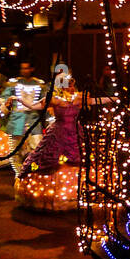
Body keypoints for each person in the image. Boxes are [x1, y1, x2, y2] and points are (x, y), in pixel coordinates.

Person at [14, 79, 87, 210]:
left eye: (72, 85)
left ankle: (74, 195)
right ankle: (52, 196)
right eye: (67, 85)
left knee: (79, 159)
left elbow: (96, 101)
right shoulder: (55, 99)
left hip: (75, 132)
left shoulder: (78, 98)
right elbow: (32, 106)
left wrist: (115, 98)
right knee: (49, 159)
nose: (70, 88)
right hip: (58, 133)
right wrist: (19, 100)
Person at [0, 62, 48, 175]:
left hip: (33, 120)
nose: (24, 70)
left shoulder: (39, 84)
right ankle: (19, 173)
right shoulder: (14, 84)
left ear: (32, 69)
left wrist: (49, 119)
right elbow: (4, 99)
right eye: (22, 68)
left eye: (27, 68)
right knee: (15, 150)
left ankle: (33, 173)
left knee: (38, 148)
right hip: (16, 121)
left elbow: (46, 102)